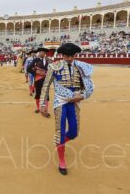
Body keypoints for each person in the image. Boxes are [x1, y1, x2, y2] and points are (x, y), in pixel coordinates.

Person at [39, 43, 94, 175]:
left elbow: (88, 85)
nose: (70, 58)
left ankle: (60, 141)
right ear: (62, 55)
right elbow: (46, 86)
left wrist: (82, 96)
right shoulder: (54, 66)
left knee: (74, 132)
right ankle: (62, 160)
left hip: (74, 101)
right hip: (60, 101)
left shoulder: (80, 67)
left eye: (72, 56)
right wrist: (42, 104)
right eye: (67, 56)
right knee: (60, 131)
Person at [27, 47, 52, 116]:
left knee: (46, 94)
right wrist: (36, 73)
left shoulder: (48, 60)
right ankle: (38, 108)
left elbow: (52, 69)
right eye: (41, 52)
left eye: (44, 52)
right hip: (38, 79)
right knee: (38, 93)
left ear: (45, 53)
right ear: (39, 52)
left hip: (46, 79)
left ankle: (45, 109)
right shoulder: (35, 60)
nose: (42, 53)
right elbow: (28, 68)